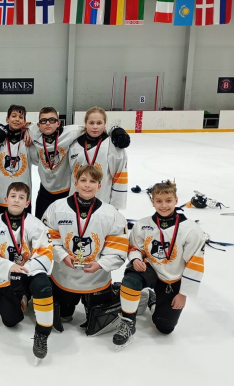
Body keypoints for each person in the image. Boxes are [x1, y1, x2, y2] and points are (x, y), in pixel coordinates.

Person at [112, 181, 205, 350]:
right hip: (150, 269)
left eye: (168, 200)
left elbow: (195, 263)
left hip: (172, 279)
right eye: (159, 201)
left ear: (176, 200)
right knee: (131, 281)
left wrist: (183, 293)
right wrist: (136, 259)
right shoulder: (143, 224)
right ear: (152, 201)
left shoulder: (191, 229)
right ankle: (128, 323)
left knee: (164, 328)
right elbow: (134, 247)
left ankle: (152, 300)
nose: (164, 205)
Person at [43, 165, 127, 335]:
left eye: (92, 181)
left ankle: (125, 294)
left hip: (97, 279)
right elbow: (46, 238)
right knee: (64, 316)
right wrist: (62, 255)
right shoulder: (57, 208)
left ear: (99, 186)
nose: (87, 185)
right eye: (83, 180)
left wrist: (101, 264)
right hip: (64, 277)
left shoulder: (110, 213)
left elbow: (118, 248)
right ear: (75, 183)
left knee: (97, 320)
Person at [0, 182, 54, 363]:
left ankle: (42, 334)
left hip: (31, 272)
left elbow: (46, 251)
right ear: (6, 199)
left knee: (44, 287)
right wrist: (8, 267)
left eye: (21, 197)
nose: (16, 200)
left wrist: (26, 269)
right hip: (7, 276)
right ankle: (24, 298)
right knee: (10, 321)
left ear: (27, 203)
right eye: (13, 196)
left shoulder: (36, 224)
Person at [0, 104, 37, 225]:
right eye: (14, 116)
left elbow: (37, 161)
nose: (17, 119)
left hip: (22, 197)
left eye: (21, 117)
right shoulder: (1, 138)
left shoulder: (27, 139)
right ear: (7, 119)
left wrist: (30, 129)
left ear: (25, 121)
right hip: (1, 195)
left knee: (22, 230)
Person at [68, 107, 129, 210]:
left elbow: (119, 175)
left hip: (102, 200)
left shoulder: (113, 146)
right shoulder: (74, 144)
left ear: (105, 124)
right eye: (91, 123)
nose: (95, 127)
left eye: (99, 123)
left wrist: (115, 206)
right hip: (76, 201)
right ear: (85, 123)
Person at [29, 107, 84, 219]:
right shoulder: (34, 133)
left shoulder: (71, 132)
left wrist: (114, 130)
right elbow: (20, 125)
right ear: (38, 125)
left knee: (64, 225)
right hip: (45, 191)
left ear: (58, 123)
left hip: (65, 191)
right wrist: (24, 130)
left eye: (52, 120)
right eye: (43, 121)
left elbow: (93, 127)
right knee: (40, 222)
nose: (47, 123)